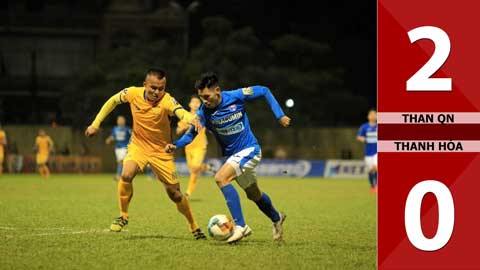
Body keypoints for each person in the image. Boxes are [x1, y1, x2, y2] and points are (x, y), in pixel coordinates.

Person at [166, 72, 291, 243]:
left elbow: (263, 90)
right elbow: (191, 135)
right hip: (234, 156)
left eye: (207, 96)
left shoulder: (235, 96)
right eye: (202, 97)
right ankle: (277, 218)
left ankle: (241, 226)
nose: (205, 101)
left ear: (217, 90)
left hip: (250, 149)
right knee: (254, 194)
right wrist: (175, 145)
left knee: (221, 178)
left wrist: (280, 115)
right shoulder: (204, 113)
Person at [85, 68, 206, 240]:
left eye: (161, 88)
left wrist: (191, 118)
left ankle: (193, 225)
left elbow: (181, 112)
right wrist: (95, 124)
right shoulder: (133, 93)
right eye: (153, 88)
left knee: (175, 194)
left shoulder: (167, 100)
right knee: (126, 174)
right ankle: (123, 215)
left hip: (162, 151)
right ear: (145, 85)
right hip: (138, 146)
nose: (157, 92)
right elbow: (112, 101)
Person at [176, 95, 211, 199]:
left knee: (195, 168)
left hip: (200, 146)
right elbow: (178, 130)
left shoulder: (202, 116)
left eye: (197, 103)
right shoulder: (186, 116)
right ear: (190, 104)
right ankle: (206, 167)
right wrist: (184, 127)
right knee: (193, 169)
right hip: (188, 147)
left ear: (200, 105)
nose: (195, 104)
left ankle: (188, 193)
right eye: (193, 102)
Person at [356, 109, 378, 193]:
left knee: (377, 167)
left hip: (377, 152)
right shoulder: (364, 127)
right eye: (371, 114)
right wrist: (363, 139)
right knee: (370, 170)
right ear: (368, 117)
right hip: (368, 152)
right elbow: (359, 137)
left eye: (374, 114)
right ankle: (372, 186)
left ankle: (376, 185)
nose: (373, 116)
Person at [105, 116, 132, 181]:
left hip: (125, 147)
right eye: (119, 120)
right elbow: (113, 136)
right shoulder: (115, 129)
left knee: (121, 161)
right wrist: (109, 139)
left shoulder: (127, 129)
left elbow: (132, 136)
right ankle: (123, 175)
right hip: (117, 148)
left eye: (122, 120)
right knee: (120, 162)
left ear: (124, 121)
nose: (121, 121)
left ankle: (118, 175)